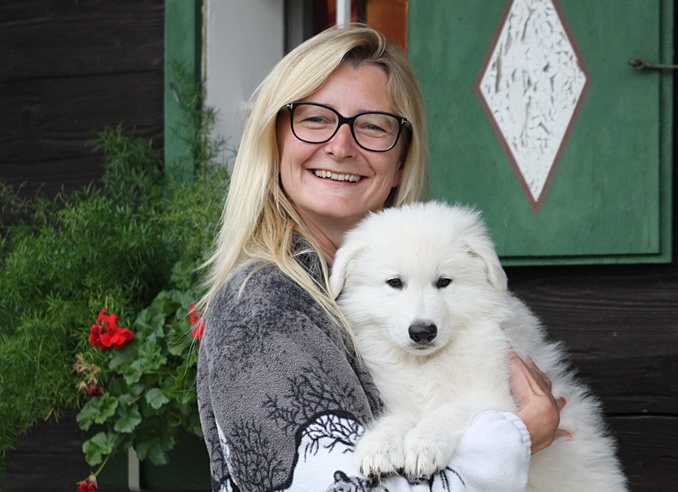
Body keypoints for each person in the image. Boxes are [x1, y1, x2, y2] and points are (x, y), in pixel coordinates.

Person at [197, 24, 563, 492]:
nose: (340, 147)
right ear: (275, 140)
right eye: (315, 118)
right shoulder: (265, 308)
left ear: (400, 160)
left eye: (371, 126)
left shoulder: (337, 285)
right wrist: (520, 434)